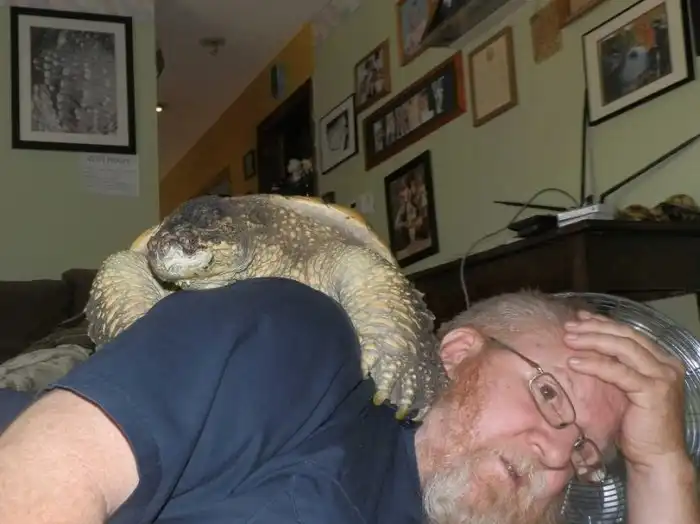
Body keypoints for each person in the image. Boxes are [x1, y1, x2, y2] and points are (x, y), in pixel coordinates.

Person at [0, 277, 696, 524]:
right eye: (548, 395)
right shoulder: (307, 348)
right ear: (458, 353)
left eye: (585, 452)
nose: (557, 453)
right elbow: (47, 475)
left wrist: (661, 461)